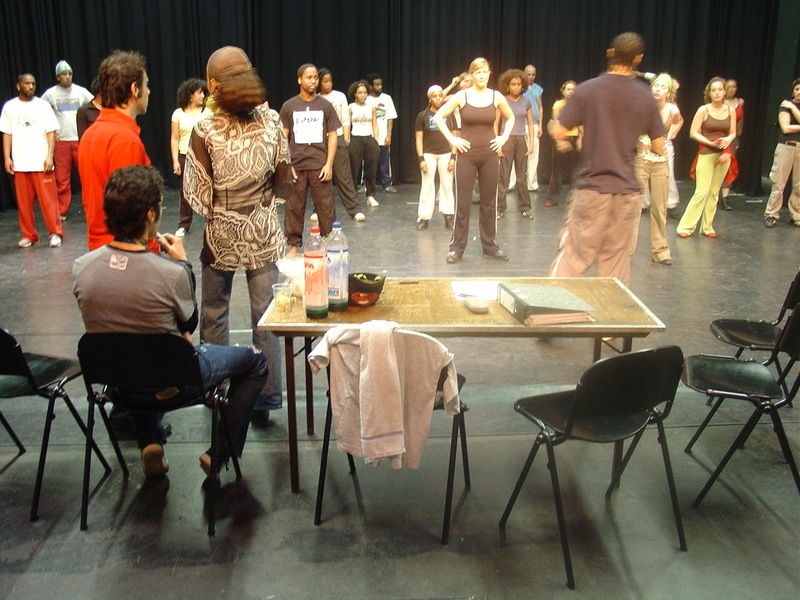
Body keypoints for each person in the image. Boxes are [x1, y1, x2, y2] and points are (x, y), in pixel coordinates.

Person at [73, 165, 268, 478]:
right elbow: (189, 324)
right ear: (151, 214)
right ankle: (220, 451)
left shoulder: (82, 267)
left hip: (119, 384)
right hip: (172, 382)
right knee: (256, 361)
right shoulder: (171, 273)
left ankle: (150, 439)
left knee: (135, 354)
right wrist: (183, 264)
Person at [183, 46, 289, 429]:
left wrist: (224, 207)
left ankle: (217, 391)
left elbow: (197, 194)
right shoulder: (272, 120)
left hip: (221, 235)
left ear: (213, 84)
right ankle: (265, 398)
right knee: (267, 314)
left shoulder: (204, 129)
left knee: (214, 314)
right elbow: (284, 180)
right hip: (263, 230)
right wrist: (260, 200)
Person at [548, 32, 665, 287]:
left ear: (610, 54)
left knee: (576, 254)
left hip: (593, 186)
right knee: (616, 260)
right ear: (638, 58)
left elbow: (558, 130)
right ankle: (613, 312)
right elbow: (659, 145)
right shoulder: (645, 96)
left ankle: (554, 307)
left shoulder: (588, 90)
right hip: (627, 190)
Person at [434, 57, 515, 264]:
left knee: (489, 202)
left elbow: (511, 117)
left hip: (489, 155)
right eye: (477, 72)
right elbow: (438, 117)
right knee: (463, 203)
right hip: (467, 156)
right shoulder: (462, 96)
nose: (481, 75)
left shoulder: (496, 96)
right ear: (471, 75)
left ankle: (490, 247)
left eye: (484, 72)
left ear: (489, 73)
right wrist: (453, 139)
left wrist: (504, 137)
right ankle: (456, 248)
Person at [78, 50, 151, 251]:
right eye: (146, 84)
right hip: (124, 251)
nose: (149, 91)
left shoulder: (91, 134)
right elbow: (131, 211)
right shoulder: (125, 140)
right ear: (135, 89)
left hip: (101, 249)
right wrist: (151, 250)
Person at [280, 63, 340, 255]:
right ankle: (293, 245)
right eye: (309, 77)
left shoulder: (325, 106)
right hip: (296, 165)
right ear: (300, 80)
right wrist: (287, 164)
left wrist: (329, 163)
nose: (313, 81)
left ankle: (327, 242)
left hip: (319, 164)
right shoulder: (289, 106)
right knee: (294, 207)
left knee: (325, 207)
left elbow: (333, 135)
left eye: (315, 77)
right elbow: (283, 137)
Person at [0, 73, 63, 248]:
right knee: (24, 204)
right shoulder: (10, 107)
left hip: (41, 162)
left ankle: (55, 233)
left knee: (49, 202)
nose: (30, 87)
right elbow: (7, 133)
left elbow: (51, 132)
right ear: (18, 86)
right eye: (27, 83)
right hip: (20, 163)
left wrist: (49, 156)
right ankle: (29, 235)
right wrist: (7, 157)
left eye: (33, 84)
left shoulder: (43, 106)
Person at [676, 76, 736, 238]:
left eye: (720, 90)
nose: (717, 93)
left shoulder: (730, 110)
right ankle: (686, 226)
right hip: (707, 152)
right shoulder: (704, 110)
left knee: (714, 192)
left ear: (724, 92)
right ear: (709, 93)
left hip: (723, 154)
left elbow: (733, 133)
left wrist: (727, 140)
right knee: (701, 191)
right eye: (713, 90)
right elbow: (693, 133)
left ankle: (707, 226)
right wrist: (710, 142)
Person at [631, 73, 676, 266]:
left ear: (669, 92)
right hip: (641, 160)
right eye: (656, 86)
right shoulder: (642, 106)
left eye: (663, 87)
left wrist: (670, 137)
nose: (658, 89)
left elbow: (678, 122)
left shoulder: (672, 110)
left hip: (660, 162)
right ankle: (626, 250)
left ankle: (660, 251)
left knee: (659, 208)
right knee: (634, 207)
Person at [41, 60, 93, 220]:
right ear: (58, 77)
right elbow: (40, 112)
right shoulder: (50, 94)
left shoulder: (81, 92)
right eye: (64, 74)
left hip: (80, 140)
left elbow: (94, 107)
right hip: (61, 141)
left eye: (70, 74)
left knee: (87, 175)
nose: (68, 77)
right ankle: (62, 211)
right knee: (62, 178)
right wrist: (48, 133)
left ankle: (91, 208)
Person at [318, 68, 365, 222]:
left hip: (337, 137)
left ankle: (354, 209)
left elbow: (345, 119)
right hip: (320, 140)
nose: (328, 84)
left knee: (344, 176)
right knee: (321, 177)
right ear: (319, 83)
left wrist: (346, 139)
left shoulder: (339, 96)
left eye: (330, 81)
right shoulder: (316, 99)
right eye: (325, 82)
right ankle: (318, 209)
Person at [170, 78, 210, 237]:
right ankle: (184, 224)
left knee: (208, 189)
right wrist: (175, 160)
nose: (203, 96)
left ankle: (212, 221)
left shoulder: (207, 112)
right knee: (185, 191)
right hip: (185, 155)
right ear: (190, 94)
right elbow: (175, 138)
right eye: (199, 93)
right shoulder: (178, 113)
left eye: (203, 93)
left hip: (204, 155)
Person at [414, 84, 457, 230]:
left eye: (440, 96)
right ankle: (424, 217)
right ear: (430, 98)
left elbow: (455, 136)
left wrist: (453, 156)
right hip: (429, 154)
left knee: (447, 184)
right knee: (427, 185)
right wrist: (421, 159)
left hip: (446, 153)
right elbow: (419, 139)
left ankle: (448, 215)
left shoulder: (449, 115)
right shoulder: (422, 116)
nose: (438, 98)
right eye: (435, 96)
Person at [496, 69, 534, 220]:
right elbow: (496, 123)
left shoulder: (526, 102)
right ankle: (499, 208)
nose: (516, 87)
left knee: (521, 177)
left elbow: (530, 123)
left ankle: (525, 208)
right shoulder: (502, 100)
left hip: (520, 139)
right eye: (513, 84)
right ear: (507, 85)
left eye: (519, 84)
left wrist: (531, 143)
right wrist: (497, 144)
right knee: (503, 176)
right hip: (506, 140)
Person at [764, 78, 800, 228]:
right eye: (797, 89)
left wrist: (793, 108)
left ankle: (796, 215)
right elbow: (785, 128)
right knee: (778, 183)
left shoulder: (789, 106)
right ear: (792, 91)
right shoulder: (785, 105)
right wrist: (791, 106)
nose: (799, 92)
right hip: (786, 146)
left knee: (799, 185)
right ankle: (771, 214)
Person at [545, 80, 581, 207]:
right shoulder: (558, 104)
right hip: (561, 138)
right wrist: (558, 140)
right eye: (568, 89)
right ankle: (552, 198)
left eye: (573, 89)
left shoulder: (579, 105)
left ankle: (575, 199)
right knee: (557, 170)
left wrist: (581, 138)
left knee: (575, 170)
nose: (571, 91)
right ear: (563, 91)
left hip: (574, 138)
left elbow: (581, 123)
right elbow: (555, 122)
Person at [347, 80, 380, 209]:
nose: (363, 95)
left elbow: (375, 124)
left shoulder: (371, 107)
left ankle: (370, 195)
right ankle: (352, 196)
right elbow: (347, 124)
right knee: (354, 169)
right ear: (355, 94)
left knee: (371, 168)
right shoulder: (351, 107)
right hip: (355, 138)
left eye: (365, 92)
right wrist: (347, 140)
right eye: (360, 93)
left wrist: (376, 140)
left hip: (368, 138)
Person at [366, 73, 398, 193]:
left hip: (383, 136)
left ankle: (387, 185)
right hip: (369, 136)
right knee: (368, 163)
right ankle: (366, 185)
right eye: (377, 85)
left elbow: (390, 118)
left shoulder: (387, 98)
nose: (380, 87)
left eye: (380, 84)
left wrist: (388, 135)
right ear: (370, 86)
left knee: (385, 163)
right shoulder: (366, 99)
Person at [719, 78, 744, 210]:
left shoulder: (740, 102)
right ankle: (713, 194)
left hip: (732, 139)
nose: (732, 89)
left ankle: (725, 198)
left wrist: (738, 134)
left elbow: (741, 118)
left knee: (729, 166)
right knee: (716, 165)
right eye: (729, 87)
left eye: (734, 87)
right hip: (719, 137)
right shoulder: (720, 102)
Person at [523, 64, 544, 191]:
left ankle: (532, 184)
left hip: (534, 125)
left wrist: (540, 125)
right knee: (518, 155)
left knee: (534, 154)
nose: (531, 77)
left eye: (533, 75)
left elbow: (540, 107)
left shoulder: (538, 89)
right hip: (521, 124)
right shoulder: (520, 87)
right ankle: (511, 183)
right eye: (528, 74)